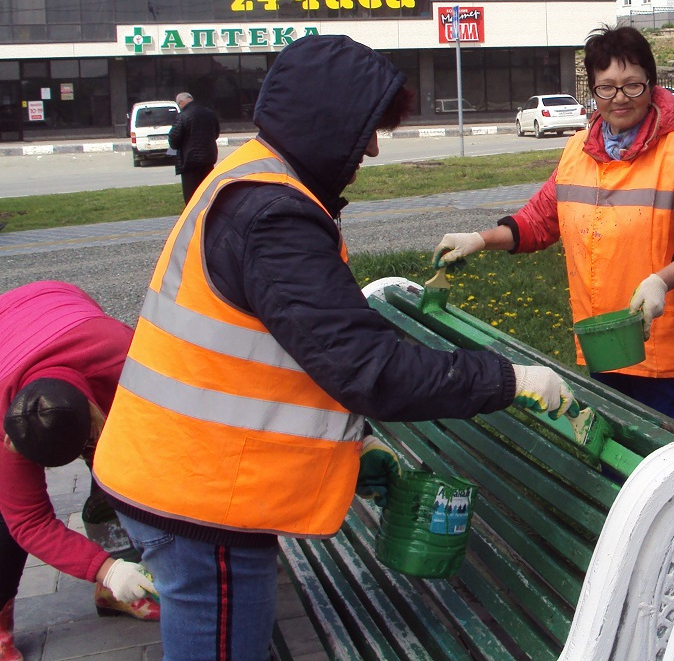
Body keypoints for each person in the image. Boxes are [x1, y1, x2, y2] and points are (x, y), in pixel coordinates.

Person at [93, 34, 576, 661]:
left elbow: (287, 355)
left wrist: (350, 443)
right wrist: (509, 379)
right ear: (328, 123)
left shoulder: (248, 180)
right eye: (366, 129)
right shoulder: (273, 215)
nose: (371, 147)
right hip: (202, 499)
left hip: (183, 476)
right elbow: (368, 368)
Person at [435, 25, 674, 431]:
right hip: (605, 347)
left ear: (652, 85)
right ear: (593, 92)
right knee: (614, 468)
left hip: (669, 356)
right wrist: (479, 240)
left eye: (633, 85)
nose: (620, 98)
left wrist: (660, 283)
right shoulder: (577, 151)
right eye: (607, 87)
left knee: (666, 478)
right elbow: (536, 222)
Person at [1, 281, 160, 661]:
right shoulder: (6, 421)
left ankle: (116, 583)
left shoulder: (127, 360)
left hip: (61, 303)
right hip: (8, 334)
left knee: (114, 467)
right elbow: (28, 521)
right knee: (6, 514)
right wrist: (103, 569)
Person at [167, 92, 220, 203]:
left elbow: (174, 139)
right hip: (208, 159)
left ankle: (194, 219)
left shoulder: (182, 116)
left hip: (189, 162)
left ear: (181, 102)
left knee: (192, 197)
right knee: (208, 193)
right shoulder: (209, 113)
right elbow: (216, 133)